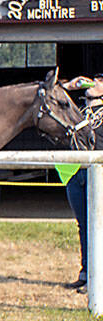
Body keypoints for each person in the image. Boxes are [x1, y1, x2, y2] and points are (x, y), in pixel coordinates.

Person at [62, 75, 101, 291]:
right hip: (78, 172)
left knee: (98, 225)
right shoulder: (77, 111)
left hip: (99, 171)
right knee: (83, 224)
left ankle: (98, 275)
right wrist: (69, 86)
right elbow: (53, 97)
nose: (94, 82)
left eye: (100, 81)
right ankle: (86, 271)